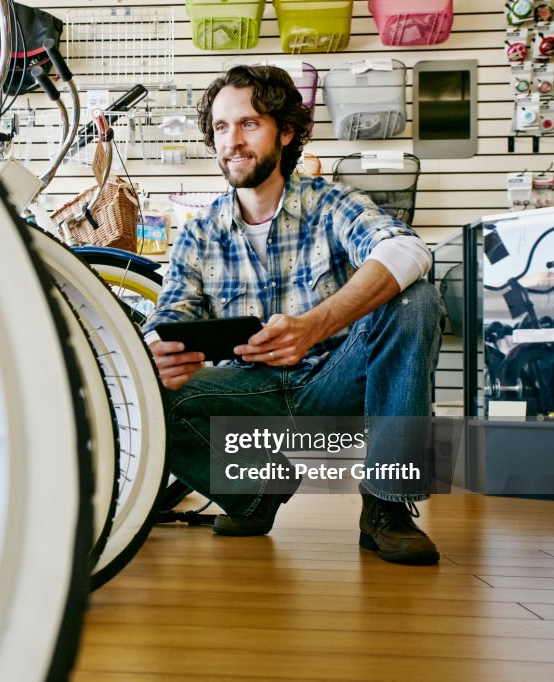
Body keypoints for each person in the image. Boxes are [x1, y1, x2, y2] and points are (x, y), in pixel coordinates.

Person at [144, 65, 444, 566]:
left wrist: (314, 327)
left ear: (285, 132)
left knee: (416, 301)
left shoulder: (331, 203)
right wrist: (157, 354)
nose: (232, 141)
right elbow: (167, 316)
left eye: (249, 124)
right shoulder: (199, 234)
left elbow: (407, 250)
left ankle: (387, 506)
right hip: (249, 394)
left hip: (335, 385)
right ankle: (253, 496)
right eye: (221, 127)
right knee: (140, 388)